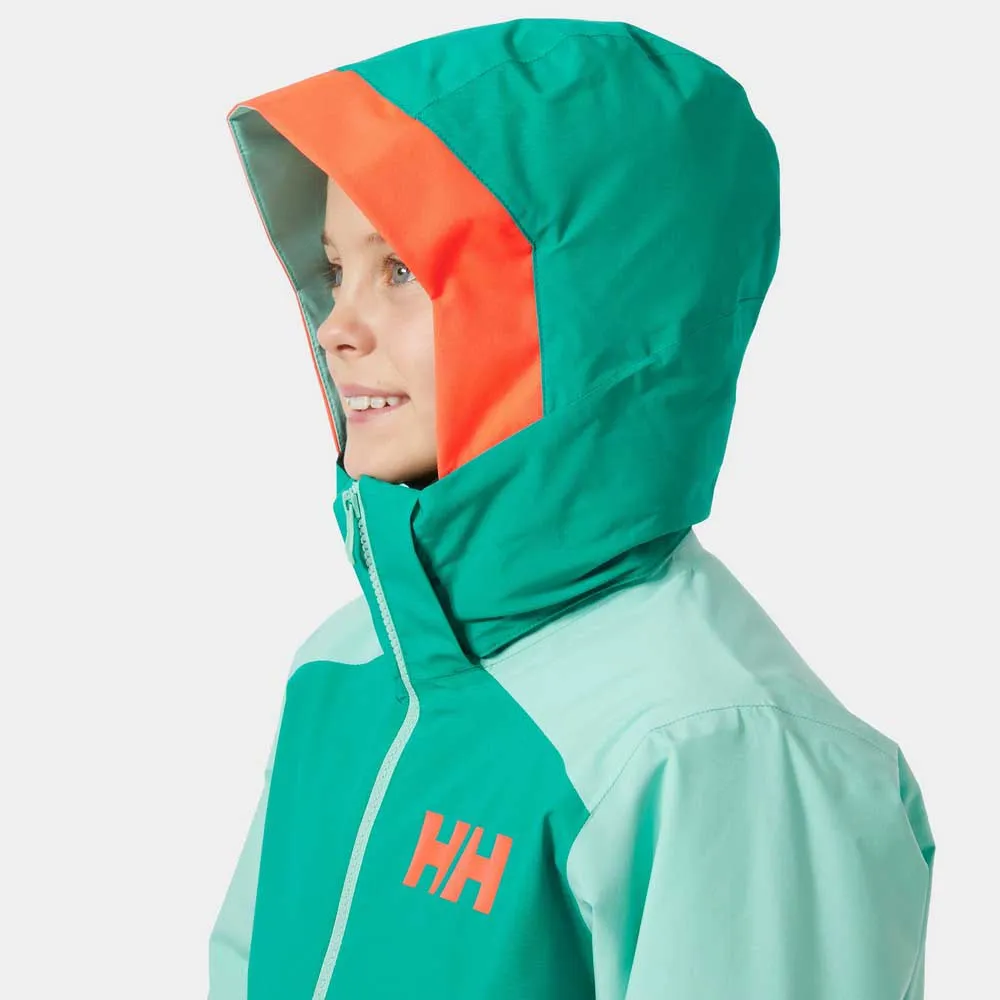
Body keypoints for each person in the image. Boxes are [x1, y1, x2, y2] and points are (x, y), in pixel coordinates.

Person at [209, 17, 935, 1000]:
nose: (336, 327)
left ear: (578, 312)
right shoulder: (343, 667)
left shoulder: (712, 743)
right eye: (337, 271)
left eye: (403, 270)